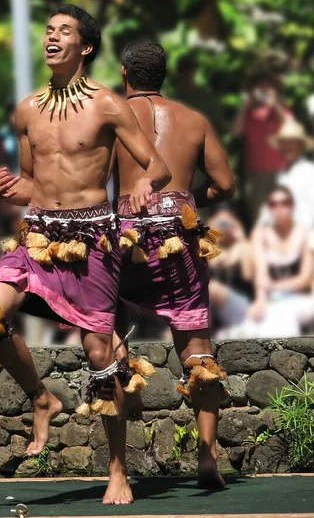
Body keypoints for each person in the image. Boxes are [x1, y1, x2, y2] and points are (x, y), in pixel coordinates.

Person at [0, 5, 171, 505]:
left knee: (99, 355)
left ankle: (118, 470)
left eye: (64, 31)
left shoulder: (108, 105)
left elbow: (154, 167)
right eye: (48, 30)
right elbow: (33, 179)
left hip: (91, 239)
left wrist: (140, 189)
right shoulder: (27, 109)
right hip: (36, 235)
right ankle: (41, 397)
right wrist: (14, 187)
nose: (52, 37)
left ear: (85, 47)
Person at [112, 40, 234, 488]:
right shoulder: (194, 120)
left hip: (127, 232)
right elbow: (224, 185)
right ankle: (207, 459)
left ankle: (119, 465)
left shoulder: (114, 118)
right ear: (162, 74)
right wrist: (184, 201)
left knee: (102, 328)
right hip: (180, 237)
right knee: (196, 348)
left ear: (124, 73)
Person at [238, 186, 314, 338]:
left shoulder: (305, 234)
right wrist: (260, 300)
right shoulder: (260, 234)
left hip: (302, 298)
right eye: (273, 204)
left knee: (281, 314)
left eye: (284, 203)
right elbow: (261, 272)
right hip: (272, 298)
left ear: (292, 206)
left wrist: (273, 286)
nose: (279, 208)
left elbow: (305, 279)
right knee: (254, 321)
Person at [232, 69, 293, 225]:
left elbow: (291, 128)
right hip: (255, 172)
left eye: (267, 87)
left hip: (279, 171)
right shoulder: (248, 111)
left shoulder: (280, 109)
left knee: (282, 215)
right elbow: (235, 133)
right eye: (259, 87)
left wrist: (274, 105)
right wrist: (244, 106)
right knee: (258, 216)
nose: (263, 91)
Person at [208, 206, 253, 336]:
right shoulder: (209, 248)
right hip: (218, 313)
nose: (224, 227)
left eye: (227, 223)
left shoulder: (243, 246)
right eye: (220, 223)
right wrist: (210, 232)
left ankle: (200, 334)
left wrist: (240, 236)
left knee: (212, 288)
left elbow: (248, 275)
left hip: (243, 308)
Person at [270, 121, 314, 230]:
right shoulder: (280, 174)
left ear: (301, 146)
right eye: (284, 143)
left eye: (292, 143)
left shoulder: (309, 171)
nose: (287, 147)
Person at [174, 53, 225, 137]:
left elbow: (219, 128)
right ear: (178, 73)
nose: (187, 75)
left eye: (190, 71)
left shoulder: (207, 98)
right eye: (184, 71)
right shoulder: (172, 100)